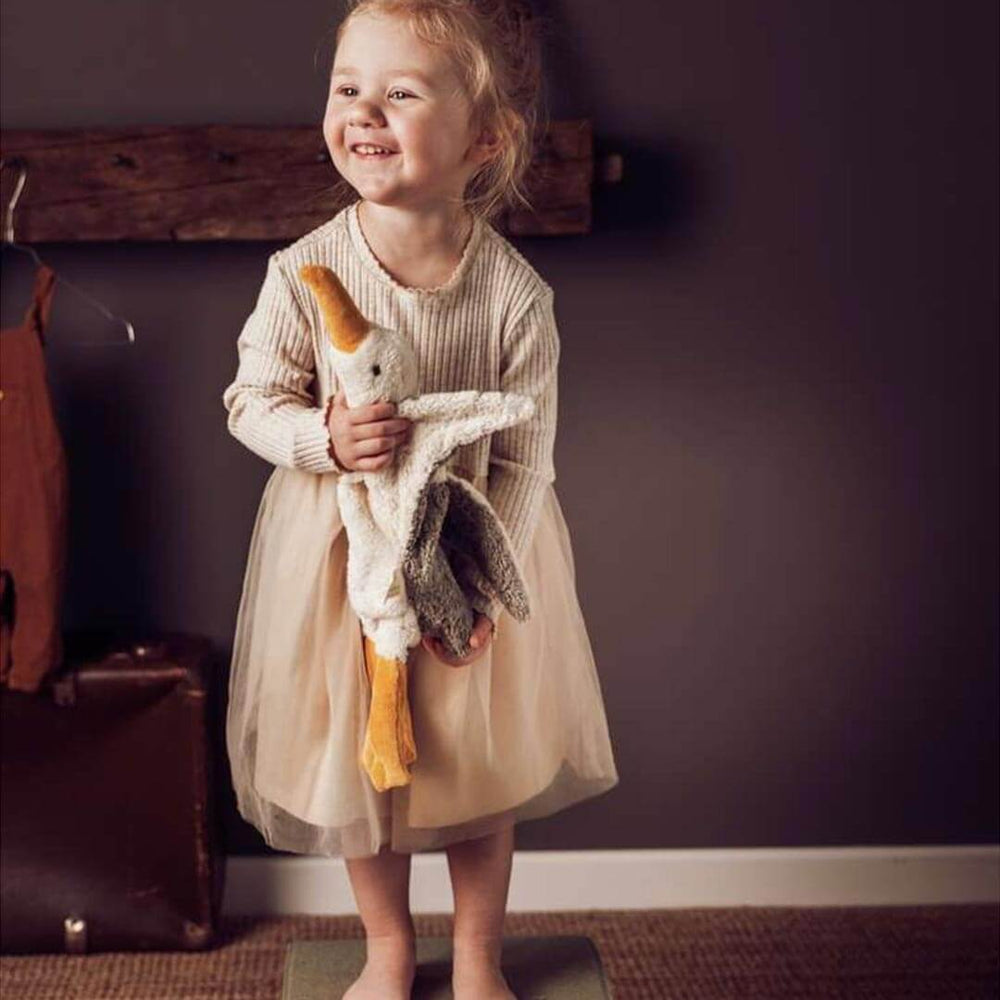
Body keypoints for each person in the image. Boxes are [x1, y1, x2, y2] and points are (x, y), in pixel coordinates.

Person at [221, 1, 619, 996]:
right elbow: (249, 399)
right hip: (341, 560)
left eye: (400, 93)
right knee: (366, 760)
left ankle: (478, 952)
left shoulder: (512, 294)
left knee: (473, 765)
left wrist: (487, 584)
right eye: (347, 88)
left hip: (467, 548)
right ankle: (388, 947)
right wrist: (320, 436)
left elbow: (526, 460)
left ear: (485, 136)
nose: (364, 112)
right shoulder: (304, 271)